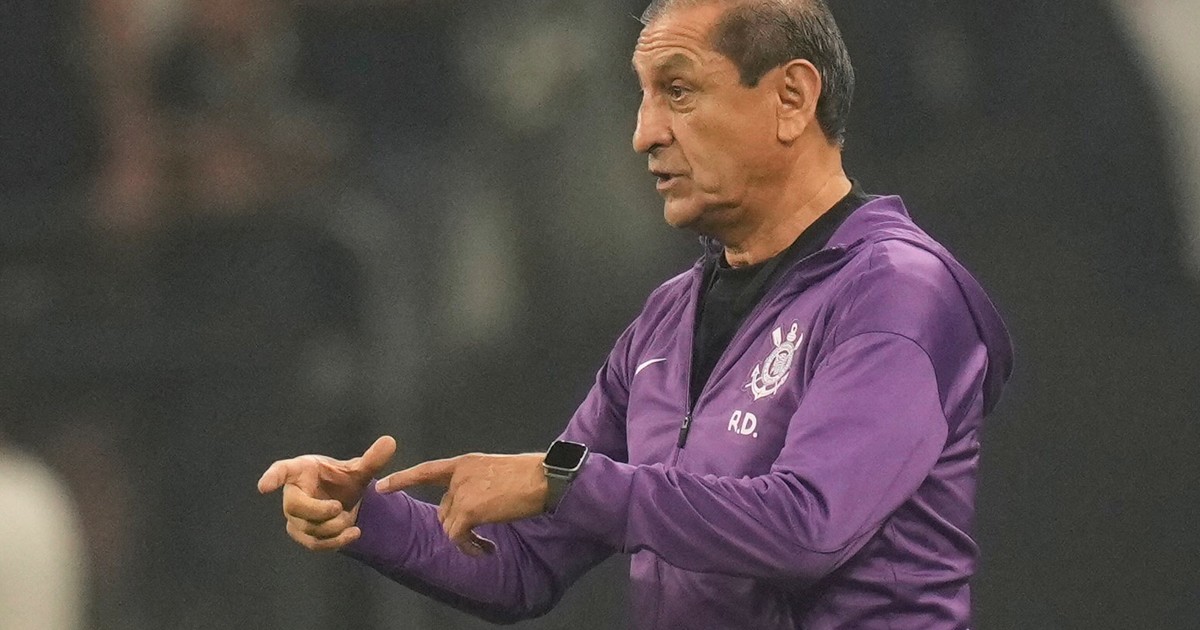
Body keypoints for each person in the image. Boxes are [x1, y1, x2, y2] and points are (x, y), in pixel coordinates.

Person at [258, 1, 1013, 627]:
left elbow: (807, 525)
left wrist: (563, 478)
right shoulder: (668, 320)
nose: (644, 133)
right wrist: (368, 518)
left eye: (678, 92)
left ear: (791, 99)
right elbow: (524, 563)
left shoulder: (897, 292)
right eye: (644, 96)